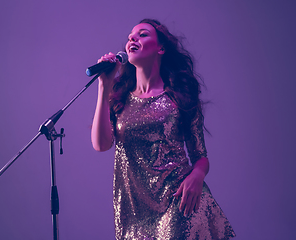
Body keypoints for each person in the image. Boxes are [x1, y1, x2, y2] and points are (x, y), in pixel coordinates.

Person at [91, 19, 236, 240]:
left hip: (180, 199)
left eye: (142, 34)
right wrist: (104, 86)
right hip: (135, 211)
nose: (132, 38)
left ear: (161, 48)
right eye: (131, 35)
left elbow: (201, 156)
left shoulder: (179, 96)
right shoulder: (118, 97)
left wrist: (197, 175)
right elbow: (101, 145)